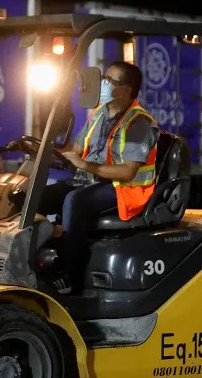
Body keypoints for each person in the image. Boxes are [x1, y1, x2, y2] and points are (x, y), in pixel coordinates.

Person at [38, 61, 160, 294]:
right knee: (38, 195)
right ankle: (39, 258)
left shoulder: (139, 123)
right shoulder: (98, 114)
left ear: (126, 90)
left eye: (110, 81)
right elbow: (75, 148)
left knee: (75, 201)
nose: (103, 83)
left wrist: (84, 164)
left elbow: (128, 172)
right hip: (92, 181)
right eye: (104, 77)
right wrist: (42, 150)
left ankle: (71, 275)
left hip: (125, 189)